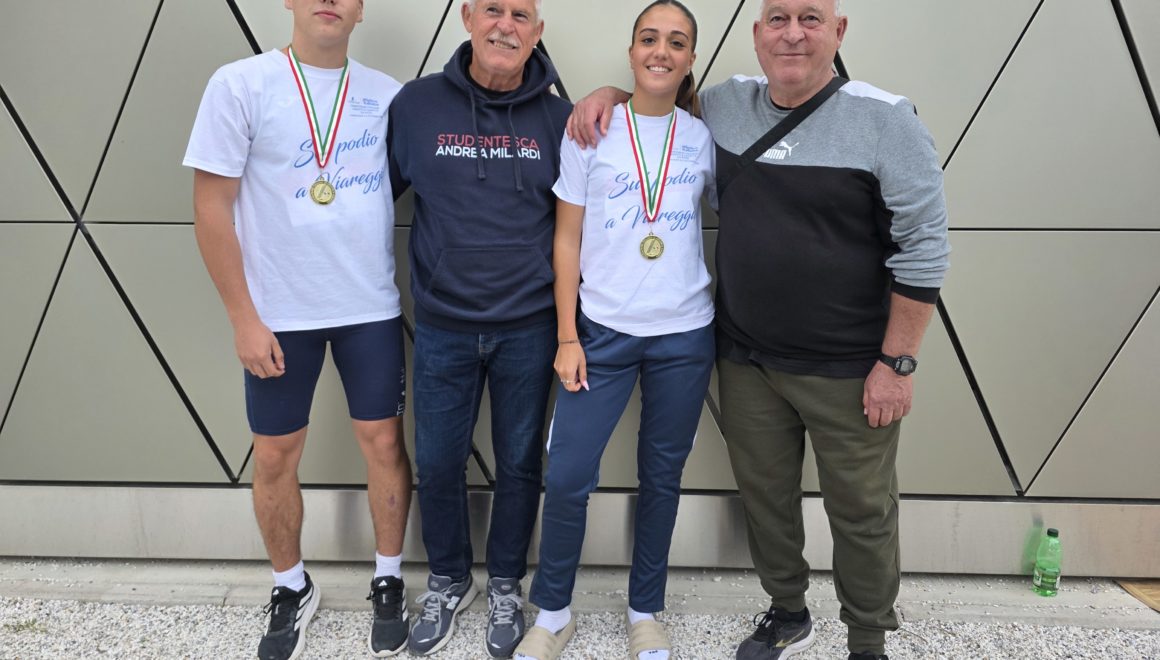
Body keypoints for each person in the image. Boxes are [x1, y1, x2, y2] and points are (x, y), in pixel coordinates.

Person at [568, 0, 951, 658]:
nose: (792, 34)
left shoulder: (886, 119)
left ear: (839, 31)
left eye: (810, 18)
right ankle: (788, 611)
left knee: (862, 511)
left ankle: (867, 639)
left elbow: (924, 250)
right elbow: (658, 98)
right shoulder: (724, 106)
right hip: (747, 360)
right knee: (766, 499)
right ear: (757, 33)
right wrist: (609, 94)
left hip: (849, 368)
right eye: (778, 18)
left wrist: (898, 364)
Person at [183, 1, 412, 658]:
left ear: (361, 9)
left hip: (368, 308)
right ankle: (291, 586)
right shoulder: (240, 84)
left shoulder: (389, 96)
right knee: (275, 454)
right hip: (279, 316)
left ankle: (389, 578)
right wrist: (242, 318)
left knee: (384, 443)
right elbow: (211, 206)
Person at [511, 3, 715, 660]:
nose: (661, 51)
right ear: (631, 52)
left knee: (662, 477)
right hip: (600, 332)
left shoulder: (702, 137)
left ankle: (644, 610)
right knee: (569, 474)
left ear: (690, 60)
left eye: (676, 42)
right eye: (649, 38)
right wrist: (567, 336)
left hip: (684, 335)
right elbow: (566, 239)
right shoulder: (591, 130)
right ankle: (554, 612)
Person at [386, 0, 571, 656]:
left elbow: (578, 223)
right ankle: (448, 577)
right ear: (467, 17)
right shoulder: (415, 106)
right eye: (493, 8)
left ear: (537, 33)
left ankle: (506, 584)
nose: (505, 25)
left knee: (519, 462)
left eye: (521, 14)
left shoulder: (560, 119)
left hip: (530, 326)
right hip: (444, 324)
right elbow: (368, 199)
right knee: (437, 460)